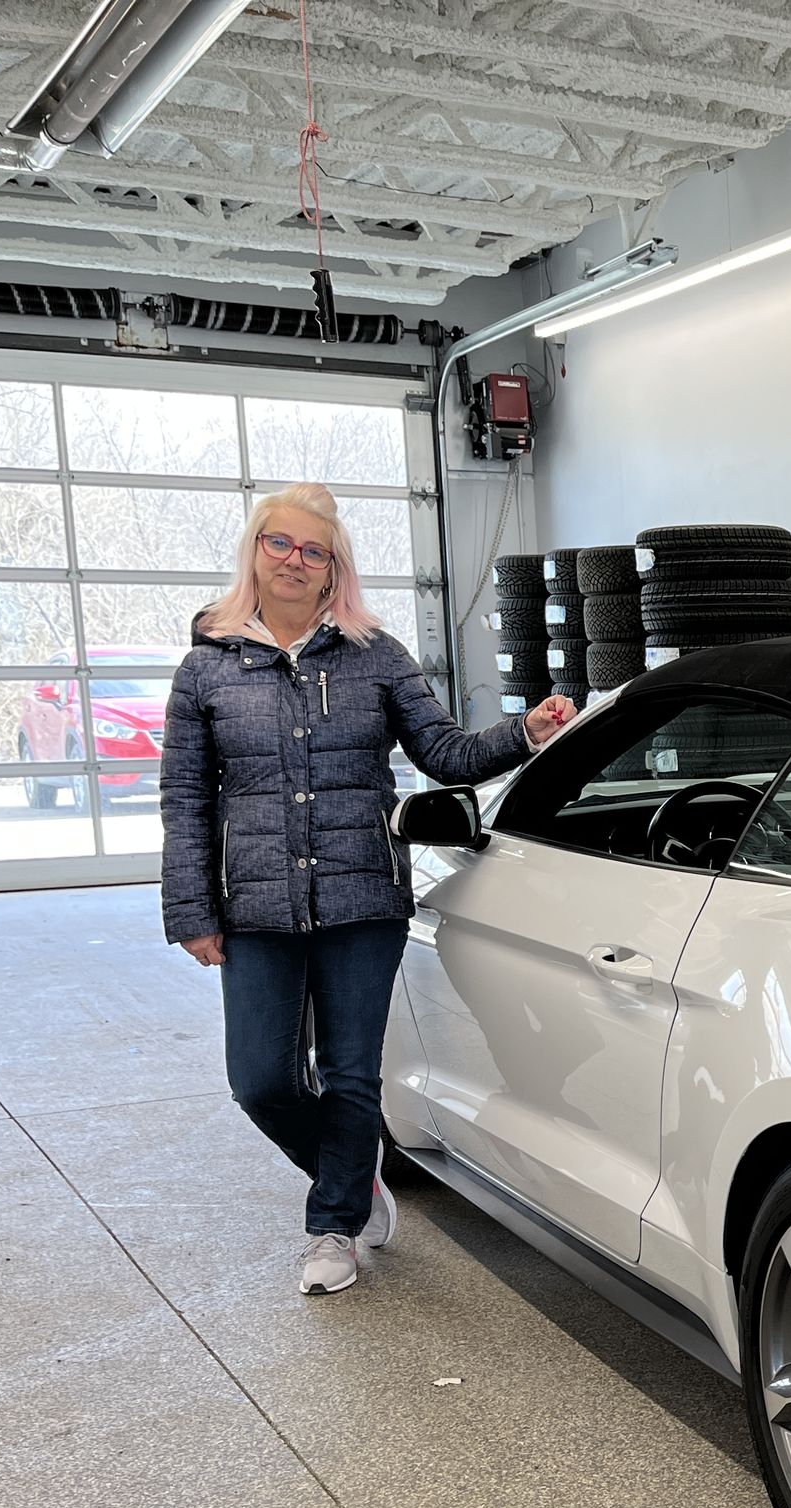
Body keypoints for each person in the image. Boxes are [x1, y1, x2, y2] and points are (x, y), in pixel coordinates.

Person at [159, 483, 577, 1295]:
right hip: (254, 905)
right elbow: (183, 797)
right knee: (262, 1081)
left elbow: (445, 754)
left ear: (333, 571)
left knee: (349, 1072)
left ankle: (333, 1227)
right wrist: (190, 909)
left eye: (314, 551)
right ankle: (351, 1176)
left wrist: (524, 734)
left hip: (362, 902)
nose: (294, 561)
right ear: (255, 550)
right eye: (280, 543)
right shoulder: (206, 666)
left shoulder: (375, 655)